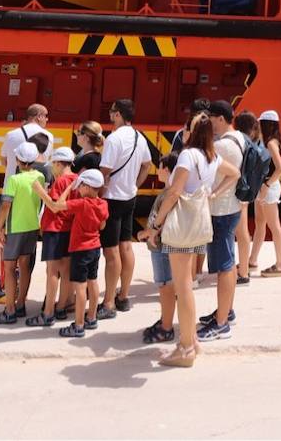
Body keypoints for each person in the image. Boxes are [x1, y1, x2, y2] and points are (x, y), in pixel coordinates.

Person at [149, 112, 240, 367]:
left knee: (183, 287)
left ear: (191, 132)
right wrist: (212, 193)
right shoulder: (212, 156)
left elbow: (174, 191)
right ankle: (192, 342)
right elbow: (234, 174)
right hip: (198, 225)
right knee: (185, 284)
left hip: (181, 228)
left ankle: (186, 348)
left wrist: (156, 225)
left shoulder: (188, 155)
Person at [0, 103, 46, 299]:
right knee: (26, 259)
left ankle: (0, 279)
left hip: (12, 196)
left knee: (4, 250)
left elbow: (2, 161)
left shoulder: (11, 136)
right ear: (39, 116)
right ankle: (20, 300)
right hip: (33, 203)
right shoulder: (47, 137)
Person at [38, 167, 109, 338]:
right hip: (95, 247)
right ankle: (91, 317)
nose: (79, 189)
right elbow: (102, 225)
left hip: (80, 250)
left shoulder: (82, 204)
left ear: (88, 186)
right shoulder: (103, 204)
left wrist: (68, 188)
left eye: (81, 186)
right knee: (93, 282)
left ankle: (78, 325)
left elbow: (57, 205)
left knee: (80, 287)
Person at [98, 98, 152, 318]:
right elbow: (147, 164)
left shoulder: (113, 139)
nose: (110, 116)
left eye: (112, 112)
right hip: (129, 197)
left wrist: (98, 195)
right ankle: (124, 296)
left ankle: (108, 302)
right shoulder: (140, 137)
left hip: (111, 198)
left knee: (111, 252)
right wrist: (135, 185)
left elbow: (104, 171)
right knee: (126, 247)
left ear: (118, 114)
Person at [200, 100, 244, 341]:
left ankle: (221, 323)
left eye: (212, 119)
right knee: (228, 263)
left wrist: (214, 194)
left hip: (221, 211)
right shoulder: (239, 138)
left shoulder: (222, 146)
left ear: (220, 118)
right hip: (231, 207)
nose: (210, 125)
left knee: (225, 267)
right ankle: (226, 310)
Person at [0, 142, 47, 324]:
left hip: (15, 228)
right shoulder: (40, 177)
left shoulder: (14, 180)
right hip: (32, 227)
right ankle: (21, 303)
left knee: (9, 268)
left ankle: (10, 310)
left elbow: (5, 206)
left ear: (19, 160)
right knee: (25, 267)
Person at [26, 147, 77, 326]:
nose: (52, 169)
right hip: (69, 229)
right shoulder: (77, 179)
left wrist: (40, 191)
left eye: (53, 165)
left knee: (52, 272)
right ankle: (61, 308)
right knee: (65, 271)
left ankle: (48, 313)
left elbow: (54, 206)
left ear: (58, 163)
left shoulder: (62, 181)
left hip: (55, 229)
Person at [137, 152, 181, 344]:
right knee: (166, 286)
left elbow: (165, 220)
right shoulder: (169, 191)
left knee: (165, 286)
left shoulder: (170, 193)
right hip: (160, 245)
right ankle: (165, 320)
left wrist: (148, 232)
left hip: (161, 246)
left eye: (162, 167)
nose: (158, 170)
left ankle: (166, 327)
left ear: (168, 170)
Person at [248, 110, 281, 277]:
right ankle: (252, 260)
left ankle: (280, 265)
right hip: (264, 187)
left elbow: (280, 169)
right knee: (260, 223)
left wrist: (266, 185)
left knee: (274, 226)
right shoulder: (272, 141)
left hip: (268, 188)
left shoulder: (271, 143)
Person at [233, 110, 257, 284]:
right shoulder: (252, 143)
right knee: (244, 231)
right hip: (246, 191)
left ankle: (243, 272)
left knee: (241, 232)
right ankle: (243, 267)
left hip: (237, 191)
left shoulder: (238, 141)